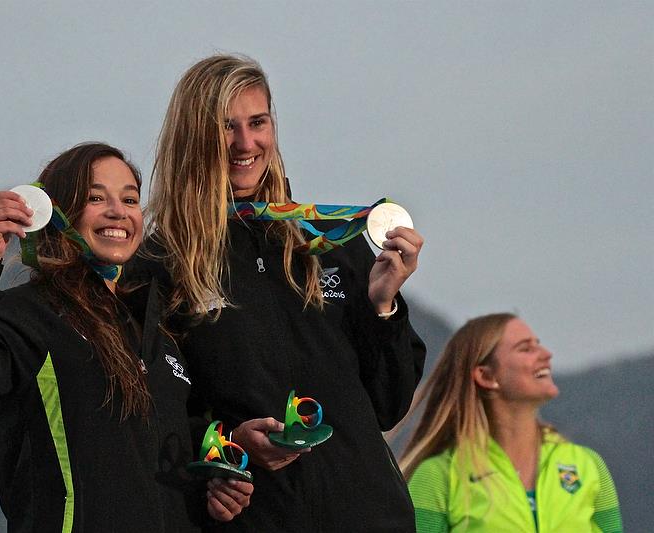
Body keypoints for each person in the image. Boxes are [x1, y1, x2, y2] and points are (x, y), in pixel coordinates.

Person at [131, 54, 426, 531]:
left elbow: (388, 405)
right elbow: (152, 418)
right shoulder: (162, 265)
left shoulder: (324, 244)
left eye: (258, 122)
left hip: (370, 516)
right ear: (193, 135)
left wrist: (383, 308)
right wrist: (228, 443)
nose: (245, 143)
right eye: (226, 127)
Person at [0, 143, 252, 532]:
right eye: (95, 197)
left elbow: (162, 450)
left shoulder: (155, 329)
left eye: (130, 199)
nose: (118, 211)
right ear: (57, 214)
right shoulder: (30, 314)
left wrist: (216, 477)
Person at [400, 313, 623, 532]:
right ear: (486, 376)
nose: (546, 354)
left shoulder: (588, 466)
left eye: (539, 345)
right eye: (526, 348)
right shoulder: (437, 476)